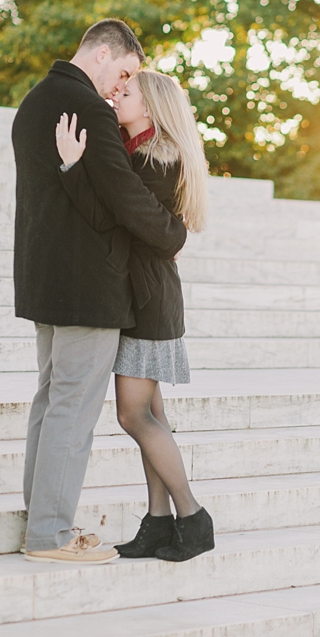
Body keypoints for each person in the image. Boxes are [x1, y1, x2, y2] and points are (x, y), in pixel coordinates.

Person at [12, 20, 188, 564]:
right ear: (105, 53)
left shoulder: (36, 100)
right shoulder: (87, 107)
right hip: (88, 286)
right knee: (71, 409)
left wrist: (73, 168)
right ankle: (50, 534)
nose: (120, 87)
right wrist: (173, 232)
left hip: (45, 280)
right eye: (126, 73)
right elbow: (122, 198)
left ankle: (40, 517)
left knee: (50, 402)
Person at [54, 68, 216, 562]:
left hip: (147, 302)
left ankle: (191, 517)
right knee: (151, 414)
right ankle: (159, 522)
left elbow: (115, 216)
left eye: (126, 93)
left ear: (151, 106)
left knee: (132, 414)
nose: (115, 96)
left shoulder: (154, 159)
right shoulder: (136, 151)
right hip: (143, 298)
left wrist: (73, 166)